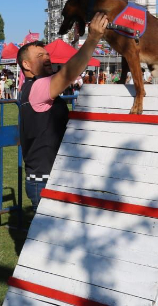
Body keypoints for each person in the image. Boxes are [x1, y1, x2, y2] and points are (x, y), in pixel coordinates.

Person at [16, 12, 108, 210]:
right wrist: (92, 39)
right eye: (40, 56)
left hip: (54, 177)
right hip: (45, 180)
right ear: (26, 65)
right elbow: (69, 73)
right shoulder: (38, 88)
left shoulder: (34, 87)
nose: (47, 58)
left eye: (47, 54)